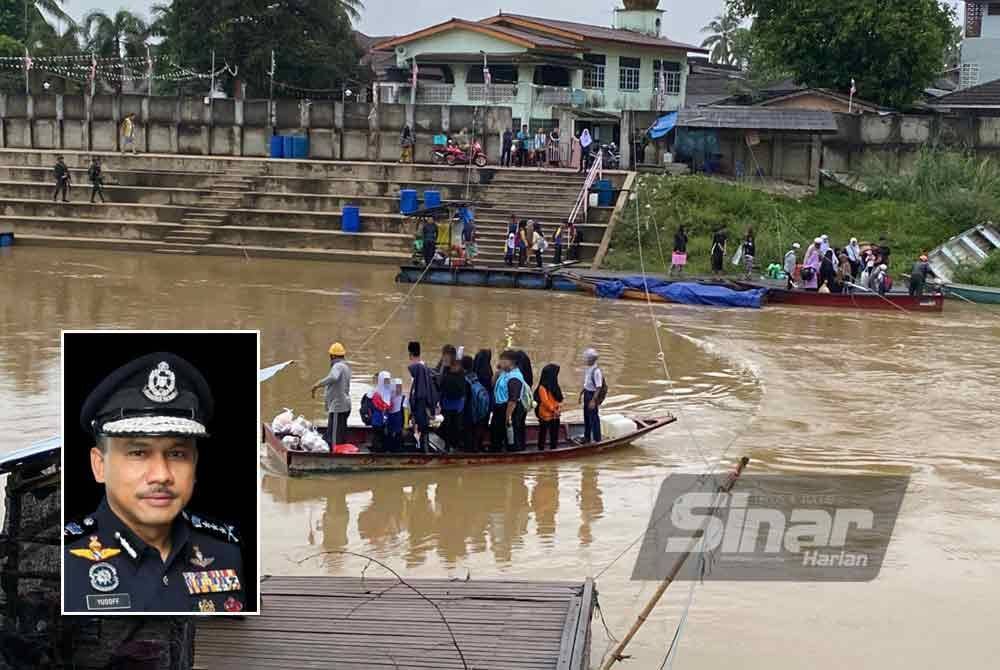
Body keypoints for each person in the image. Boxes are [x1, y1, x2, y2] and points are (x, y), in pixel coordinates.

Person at [64, 352, 245, 613]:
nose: (161, 475)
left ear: (195, 463)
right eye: (138, 453)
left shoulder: (227, 550)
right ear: (99, 465)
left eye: (177, 454)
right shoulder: (63, 561)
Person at [311, 343, 352, 448]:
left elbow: (333, 377)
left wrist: (318, 384)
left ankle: (334, 455)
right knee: (340, 432)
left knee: (334, 436)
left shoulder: (338, 366)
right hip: (344, 405)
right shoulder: (346, 366)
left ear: (333, 356)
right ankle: (341, 450)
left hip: (338, 407)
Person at [491, 351, 527, 452]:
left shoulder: (515, 377)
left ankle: (512, 454)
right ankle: (496, 450)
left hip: (509, 409)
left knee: (510, 435)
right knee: (496, 432)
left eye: (503, 360)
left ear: (511, 362)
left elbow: (513, 400)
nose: (500, 362)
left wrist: (508, 417)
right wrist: (497, 371)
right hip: (499, 408)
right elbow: (493, 384)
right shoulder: (504, 373)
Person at [407, 342, 437, 453]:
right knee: (423, 430)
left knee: (421, 429)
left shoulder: (417, 369)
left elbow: (417, 391)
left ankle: (423, 452)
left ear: (410, 354)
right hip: (424, 405)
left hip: (421, 406)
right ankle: (423, 449)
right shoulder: (424, 366)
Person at [438, 355, 467, 451]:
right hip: (452, 405)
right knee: (450, 426)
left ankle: (452, 444)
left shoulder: (451, 376)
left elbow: (441, 388)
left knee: (453, 426)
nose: (456, 368)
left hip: (453, 405)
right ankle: (450, 445)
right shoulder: (459, 376)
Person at [462, 355, 490, 452]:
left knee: (468, 430)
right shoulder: (475, 376)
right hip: (479, 410)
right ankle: (476, 448)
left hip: (469, 410)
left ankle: (468, 451)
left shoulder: (464, 379)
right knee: (476, 429)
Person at [534, 364, 563, 451]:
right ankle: (541, 449)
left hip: (555, 414)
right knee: (543, 434)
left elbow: (559, 400)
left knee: (554, 434)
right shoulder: (542, 387)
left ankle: (553, 449)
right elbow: (545, 401)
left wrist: (557, 410)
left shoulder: (555, 385)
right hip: (546, 415)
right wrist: (554, 410)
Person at [580, 348, 604, 444]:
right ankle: (587, 437)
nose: (585, 360)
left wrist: (593, 401)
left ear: (591, 359)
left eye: (587, 358)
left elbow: (598, 387)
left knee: (594, 418)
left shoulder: (596, 371)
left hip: (592, 395)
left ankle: (597, 439)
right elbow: (587, 383)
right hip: (587, 393)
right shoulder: (588, 369)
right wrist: (581, 393)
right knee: (586, 416)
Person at [369, 372, 394, 452]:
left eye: (388, 380)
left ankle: (383, 450)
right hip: (378, 419)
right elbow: (382, 406)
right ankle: (378, 452)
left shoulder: (389, 391)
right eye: (385, 380)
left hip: (385, 420)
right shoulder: (375, 392)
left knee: (384, 437)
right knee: (378, 436)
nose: (387, 382)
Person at [384, 378, 406, 453]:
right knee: (390, 432)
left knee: (397, 432)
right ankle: (390, 448)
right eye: (397, 386)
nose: (399, 388)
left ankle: (396, 448)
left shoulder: (401, 397)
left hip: (397, 414)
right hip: (392, 415)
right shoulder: (390, 393)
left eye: (400, 386)